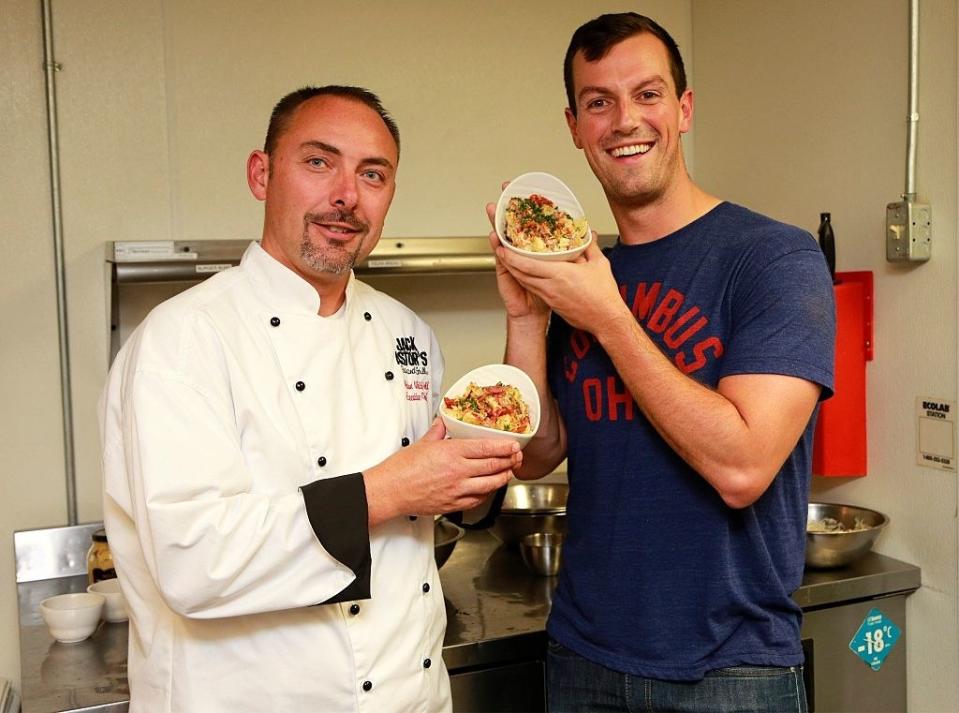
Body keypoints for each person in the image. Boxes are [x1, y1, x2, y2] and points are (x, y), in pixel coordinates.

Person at [100, 85, 521, 712]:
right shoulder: (183, 338)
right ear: (261, 174)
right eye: (319, 162)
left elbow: (436, 500)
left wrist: (470, 483)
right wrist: (393, 487)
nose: (347, 195)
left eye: (372, 174)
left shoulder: (408, 334)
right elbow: (193, 561)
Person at [487, 13, 835, 713]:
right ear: (574, 125)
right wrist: (526, 315)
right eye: (598, 102)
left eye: (646, 95)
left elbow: (741, 467)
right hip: (582, 657)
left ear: (683, 109)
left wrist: (609, 316)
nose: (623, 120)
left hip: (729, 672)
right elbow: (534, 454)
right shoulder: (585, 271)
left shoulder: (773, 259)